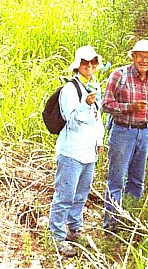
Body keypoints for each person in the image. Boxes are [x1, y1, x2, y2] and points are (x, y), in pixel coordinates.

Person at [102, 39, 148, 231]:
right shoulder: (119, 75)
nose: (144, 61)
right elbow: (106, 105)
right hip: (123, 132)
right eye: (140, 56)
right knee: (117, 179)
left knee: (137, 179)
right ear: (133, 57)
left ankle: (130, 219)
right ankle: (112, 223)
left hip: (146, 133)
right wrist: (130, 108)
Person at [49, 46, 104, 256]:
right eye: (84, 62)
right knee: (64, 196)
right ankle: (56, 237)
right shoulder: (69, 90)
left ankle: (74, 229)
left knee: (81, 195)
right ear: (77, 64)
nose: (89, 66)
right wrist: (85, 104)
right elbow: (70, 120)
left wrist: (99, 141)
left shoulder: (94, 85)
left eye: (93, 62)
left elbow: (97, 119)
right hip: (71, 151)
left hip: (89, 151)